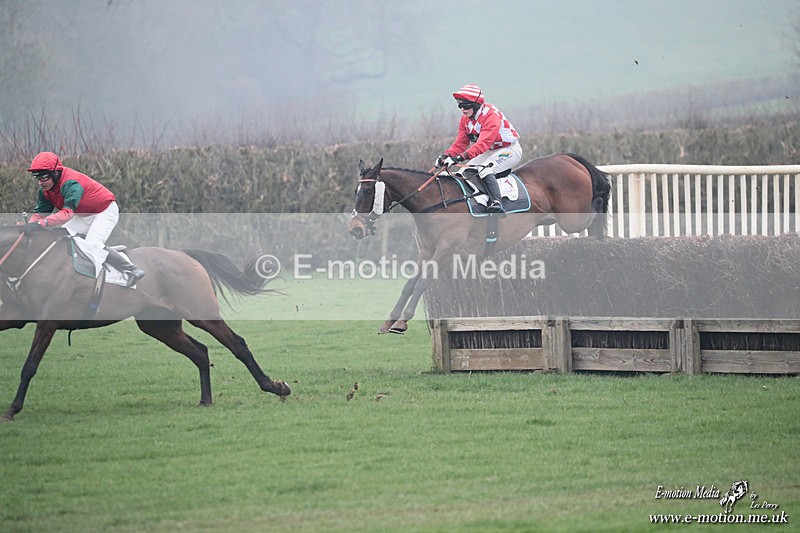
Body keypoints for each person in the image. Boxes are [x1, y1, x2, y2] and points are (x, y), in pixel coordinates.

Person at [22, 151, 145, 288]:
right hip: (85, 215)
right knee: (60, 237)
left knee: (92, 245)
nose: (40, 182)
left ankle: (132, 269)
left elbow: (67, 214)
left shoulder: (71, 183)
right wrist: (27, 227)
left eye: (44, 177)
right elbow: (39, 214)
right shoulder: (45, 191)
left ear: (56, 173)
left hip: (105, 211)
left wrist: (42, 224)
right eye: (37, 178)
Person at [435, 84, 522, 212]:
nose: (462, 109)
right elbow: (460, 143)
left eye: (465, 105)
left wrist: (459, 158)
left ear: (476, 105)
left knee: (484, 170)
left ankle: (497, 202)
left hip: (510, 150)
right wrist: (446, 156)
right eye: (459, 105)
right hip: (490, 151)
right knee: (464, 172)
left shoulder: (491, 115)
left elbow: (483, 144)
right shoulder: (465, 119)